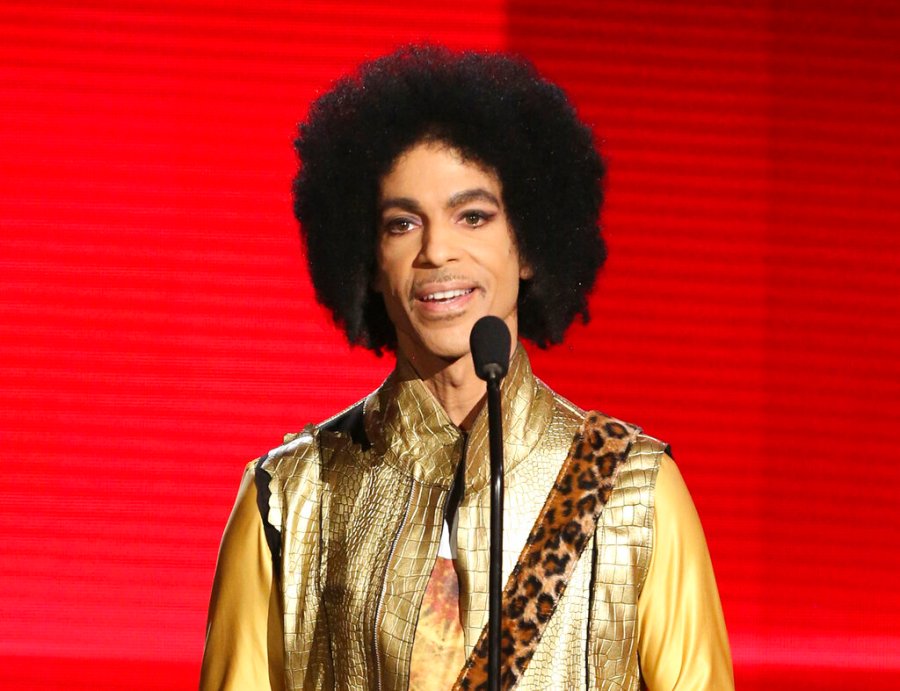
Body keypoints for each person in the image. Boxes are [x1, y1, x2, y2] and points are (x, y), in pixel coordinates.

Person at [200, 45, 733, 690]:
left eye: (473, 216)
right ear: (370, 264)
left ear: (529, 247)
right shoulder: (290, 498)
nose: (437, 250)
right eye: (403, 224)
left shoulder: (633, 489)